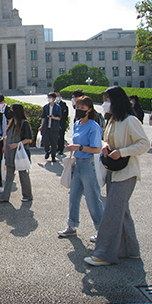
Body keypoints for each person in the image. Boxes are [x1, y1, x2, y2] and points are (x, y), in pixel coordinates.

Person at [85, 86, 149, 266]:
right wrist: (105, 145)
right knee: (122, 212)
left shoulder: (130, 121)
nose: (105, 104)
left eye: (107, 100)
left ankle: (104, 254)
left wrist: (123, 152)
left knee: (112, 212)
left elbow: (144, 144)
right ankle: (130, 250)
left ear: (116, 101)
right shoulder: (113, 120)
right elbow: (106, 138)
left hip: (126, 172)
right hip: (113, 172)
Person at [58, 96, 104, 240]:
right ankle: (71, 226)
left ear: (90, 110)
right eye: (77, 107)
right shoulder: (77, 123)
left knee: (93, 199)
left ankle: (102, 230)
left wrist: (79, 147)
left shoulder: (93, 126)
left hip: (88, 165)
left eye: (82, 108)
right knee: (73, 197)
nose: (79, 110)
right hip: (78, 163)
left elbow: (97, 149)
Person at [0, 103, 33, 203]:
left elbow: (29, 139)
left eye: (12, 110)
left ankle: (27, 195)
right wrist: (4, 139)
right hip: (10, 152)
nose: (10, 111)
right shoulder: (11, 123)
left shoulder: (24, 123)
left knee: (23, 174)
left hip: (20, 153)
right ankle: (5, 196)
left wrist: (17, 144)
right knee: (9, 175)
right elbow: (9, 135)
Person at [39, 92, 61, 162]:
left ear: (54, 98)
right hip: (46, 127)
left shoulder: (58, 107)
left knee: (54, 142)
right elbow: (43, 117)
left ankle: (53, 156)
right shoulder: (46, 107)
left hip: (54, 128)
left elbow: (60, 118)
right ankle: (47, 151)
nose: (49, 99)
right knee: (45, 141)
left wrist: (53, 117)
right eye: (48, 97)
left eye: (50, 97)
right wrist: (41, 126)